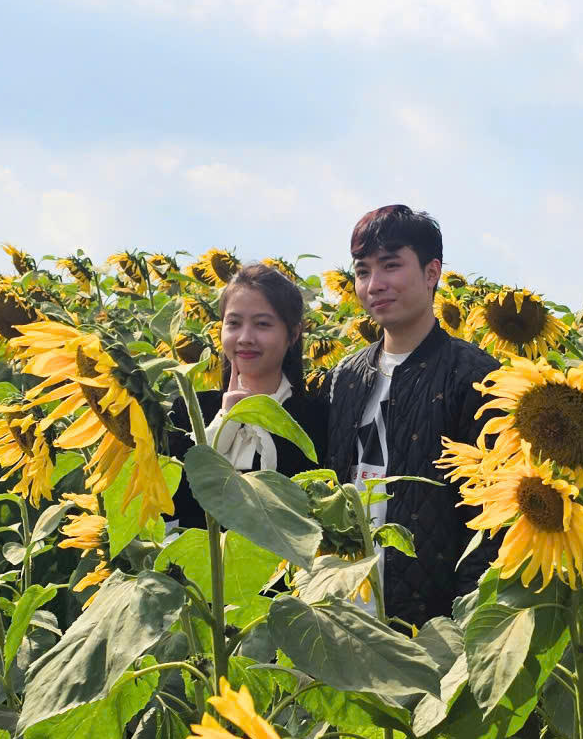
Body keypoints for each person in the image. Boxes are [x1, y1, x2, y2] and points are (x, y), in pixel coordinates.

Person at [322, 205, 496, 624]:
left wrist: (462, 624)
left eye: (391, 266)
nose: (374, 284)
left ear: (432, 271)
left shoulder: (474, 376)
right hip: (346, 612)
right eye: (363, 271)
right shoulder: (346, 376)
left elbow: (489, 520)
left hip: (428, 622)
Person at [171, 263, 331, 527]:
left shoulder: (315, 419)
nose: (245, 337)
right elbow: (170, 505)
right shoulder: (191, 411)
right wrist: (225, 420)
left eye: (262, 324)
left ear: (292, 334)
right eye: (233, 323)